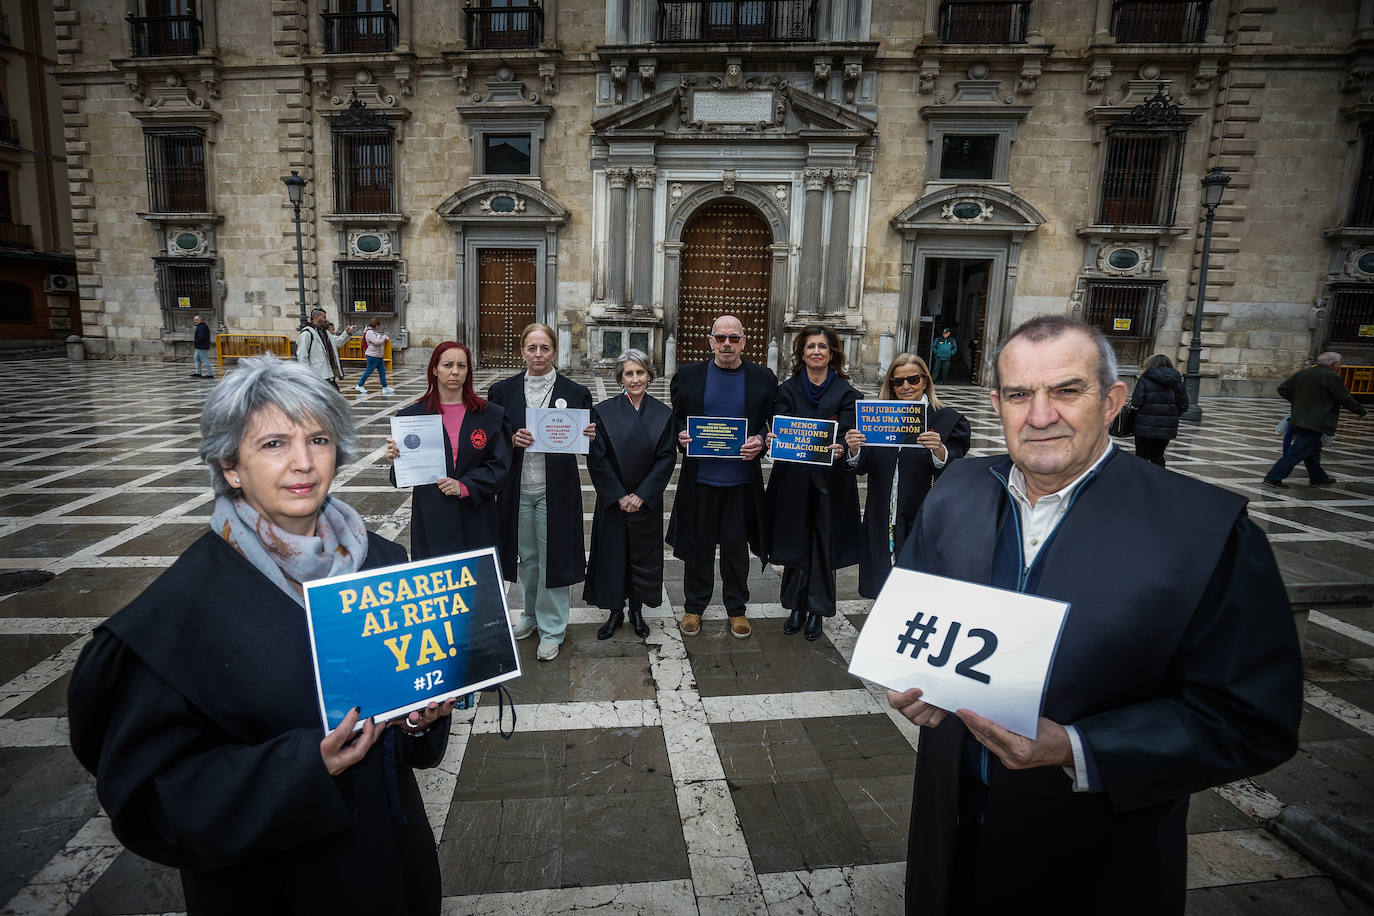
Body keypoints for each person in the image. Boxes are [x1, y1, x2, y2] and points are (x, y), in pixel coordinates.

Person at [886, 315, 1302, 915]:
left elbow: (1251, 718)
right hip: (948, 830)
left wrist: (1076, 747)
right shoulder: (957, 490)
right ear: (997, 403)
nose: (1041, 414)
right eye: (1020, 394)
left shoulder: (1204, 531)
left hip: (1093, 853)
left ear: (1111, 402)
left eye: (1066, 390)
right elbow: (920, 616)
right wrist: (916, 677)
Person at [67, 355, 457, 916]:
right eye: (274, 444)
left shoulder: (385, 565)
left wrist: (418, 716)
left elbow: (402, 727)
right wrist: (307, 766)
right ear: (230, 464)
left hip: (389, 863)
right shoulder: (180, 613)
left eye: (318, 439)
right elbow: (153, 796)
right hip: (274, 887)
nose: (302, 463)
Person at [488, 323, 594, 662]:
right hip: (517, 489)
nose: (538, 354)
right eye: (531, 348)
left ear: (554, 351)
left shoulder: (574, 392)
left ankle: (552, 628)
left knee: (553, 559)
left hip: (556, 490)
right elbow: (491, 440)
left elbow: (587, 440)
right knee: (528, 559)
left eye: (544, 348)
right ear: (522, 351)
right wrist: (510, 440)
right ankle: (529, 616)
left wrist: (589, 434)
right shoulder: (501, 392)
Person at [667, 315, 777, 639]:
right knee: (698, 547)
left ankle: (736, 608)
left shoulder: (763, 378)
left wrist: (761, 437)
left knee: (735, 548)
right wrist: (681, 436)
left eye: (733, 338)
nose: (726, 344)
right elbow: (675, 420)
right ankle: (694, 607)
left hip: (741, 481)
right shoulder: (687, 377)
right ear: (710, 341)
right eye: (720, 338)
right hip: (700, 479)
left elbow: (772, 422)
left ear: (744, 342)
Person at [843, 353, 970, 599]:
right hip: (881, 511)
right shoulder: (878, 417)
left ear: (925, 381)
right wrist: (855, 449)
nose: (906, 387)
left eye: (913, 379)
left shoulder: (945, 418)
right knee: (881, 572)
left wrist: (939, 449)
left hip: (921, 511)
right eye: (898, 381)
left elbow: (954, 466)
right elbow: (862, 465)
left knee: (916, 578)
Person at [763, 325, 861, 641]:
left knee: (823, 545)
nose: (816, 351)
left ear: (832, 353)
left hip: (831, 484)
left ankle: (818, 608)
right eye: (810, 347)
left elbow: (849, 434)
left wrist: (843, 447)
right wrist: (774, 439)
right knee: (796, 543)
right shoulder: (787, 390)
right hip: (793, 482)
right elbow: (782, 427)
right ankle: (795, 606)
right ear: (801, 353)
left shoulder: (848, 394)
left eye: (822, 346)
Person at [386, 342, 510, 560]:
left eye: (461, 366)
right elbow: (401, 477)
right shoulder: (412, 416)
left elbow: (499, 464)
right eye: (447, 365)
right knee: (438, 583)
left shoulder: (490, 415)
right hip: (433, 513)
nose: (455, 371)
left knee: (477, 582)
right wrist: (396, 458)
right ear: (434, 369)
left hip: (476, 511)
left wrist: (464, 485)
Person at [584, 349, 676, 640]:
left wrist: (642, 494)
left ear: (649, 376)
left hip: (645, 501)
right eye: (629, 373)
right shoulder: (604, 411)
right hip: (614, 500)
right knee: (613, 555)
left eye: (640, 373)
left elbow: (666, 458)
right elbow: (597, 458)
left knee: (642, 555)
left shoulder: (663, 414)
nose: (635, 379)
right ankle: (615, 611)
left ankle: (636, 610)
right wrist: (619, 494)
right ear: (620, 378)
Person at [1263, 351, 1366, 489]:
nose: (1340, 366)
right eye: (1340, 363)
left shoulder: (1303, 373)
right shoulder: (1331, 376)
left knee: (1312, 451)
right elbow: (1344, 398)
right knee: (1297, 451)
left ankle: (1318, 478)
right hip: (1316, 421)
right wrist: (1360, 410)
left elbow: (1283, 389)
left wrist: (1298, 403)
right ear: (1333, 363)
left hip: (1298, 418)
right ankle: (1273, 477)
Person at [1130, 353, 1189, 468]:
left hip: (1144, 425)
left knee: (1141, 456)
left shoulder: (1145, 378)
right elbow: (1184, 405)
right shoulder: (1176, 379)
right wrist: (1171, 415)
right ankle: (1157, 480)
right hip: (1166, 427)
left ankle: (1140, 480)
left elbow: (1137, 401)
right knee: (1158, 456)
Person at [296, 308, 354, 389]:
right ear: (316, 317)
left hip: (328, 373)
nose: (326, 320)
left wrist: (347, 333)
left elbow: (337, 342)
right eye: (324, 317)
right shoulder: (306, 333)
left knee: (333, 399)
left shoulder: (324, 332)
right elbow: (302, 356)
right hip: (317, 375)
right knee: (332, 399)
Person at [356, 317, 396, 396]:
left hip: (378, 355)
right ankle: (360, 385)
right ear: (376, 325)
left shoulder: (374, 331)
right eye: (378, 325)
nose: (379, 326)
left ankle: (385, 387)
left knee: (382, 371)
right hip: (372, 355)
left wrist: (383, 337)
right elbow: (376, 342)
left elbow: (378, 339)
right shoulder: (369, 332)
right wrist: (384, 337)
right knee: (369, 371)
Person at [191, 314, 214, 379]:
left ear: (201, 320)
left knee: (205, 360)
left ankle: (209, 374)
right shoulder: (200, 326)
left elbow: (201, 337)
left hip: (202, 346)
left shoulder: (202, 327)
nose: (195, 321)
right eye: (194, 320)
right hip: (199, 346)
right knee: (196, 358)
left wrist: (197, 342)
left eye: (196, 320)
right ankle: (198, 372)